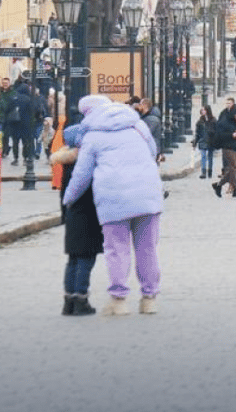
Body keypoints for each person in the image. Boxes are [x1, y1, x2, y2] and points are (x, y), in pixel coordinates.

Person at [62, 95, 165, 316]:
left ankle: (119, 301)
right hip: (147, 193)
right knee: (147, 248)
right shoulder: (138, 126)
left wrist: (68, 198)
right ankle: (149, 299)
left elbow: (82, 175)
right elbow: (152, 152)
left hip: (113, 197)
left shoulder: (92, 136)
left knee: (117, 250)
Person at [51, 101, 105, 316]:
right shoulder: (83, 164)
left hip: (72, 215)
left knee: (73, 259)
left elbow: (64, 194)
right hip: (87, 216)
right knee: (86, 258)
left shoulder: (66, 164)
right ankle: (81, 299)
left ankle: (69, 300)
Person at [211, 100, 236, 199]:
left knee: (233, 169)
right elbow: (220, 135)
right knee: (234, 167)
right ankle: (235, 190)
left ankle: (218, 185)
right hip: (228, 147)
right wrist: (231, 135)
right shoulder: (225, 121)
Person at [193, 105, 216, 179]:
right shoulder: (200, 122)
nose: (202, 111)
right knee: (203, 156)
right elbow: (197, 133)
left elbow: (217, 131)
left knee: (210, 157)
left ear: (207, 111)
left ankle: (210, 171)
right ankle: (203, 172)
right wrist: (194, 143)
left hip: (211, 141)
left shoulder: (213, 120)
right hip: (202, 140)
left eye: (204, 110)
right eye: (202, 110)